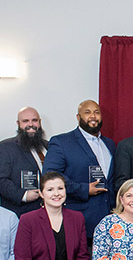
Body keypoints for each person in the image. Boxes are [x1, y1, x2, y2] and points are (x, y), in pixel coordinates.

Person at [43, 99, 116, 241]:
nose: (93, 116)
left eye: (96, 112)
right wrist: (83, 189)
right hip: (80, 219)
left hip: (110, 220)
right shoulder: (62, 142)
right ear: (78, 117)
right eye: (87, 112)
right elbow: (50, 176)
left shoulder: (109, 144)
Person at [0, 106, 48, 218]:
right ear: (18, 124)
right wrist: (23, 195)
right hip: (20, 214)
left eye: (34, 120)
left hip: (51, 213)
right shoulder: (4, 148)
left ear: (40, 122)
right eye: (25, 121)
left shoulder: (50, 146)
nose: (31, 124)